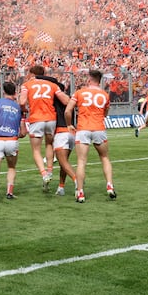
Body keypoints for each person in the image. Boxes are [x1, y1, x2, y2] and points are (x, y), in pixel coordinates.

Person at [64, 69, 116, 203]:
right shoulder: (105, 95)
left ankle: (80, 192)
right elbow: (105, 113)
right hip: (99, 127)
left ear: (89, 80)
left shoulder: (79, 93)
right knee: (104, 157)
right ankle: (110, 185)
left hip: (83, 128)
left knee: (81, 161)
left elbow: (68, 110)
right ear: (99, 81)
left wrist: (69, 124)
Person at [19, 65, 69, 192]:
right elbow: (65, 100)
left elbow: (21, 102)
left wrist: (25, 110)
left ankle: (44, 174)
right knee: (49, 144)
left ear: (32, 74)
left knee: (36, 150)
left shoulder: (26, 85)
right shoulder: (51, 85)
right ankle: (50, 170)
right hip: (51, 118)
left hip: (36, 118)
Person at [37, 74, 77, 196]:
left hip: (61, 132)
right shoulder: (69, 100)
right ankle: (61, 187)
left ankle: (77, 181)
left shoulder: (53, 101)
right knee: (63, 163)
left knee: (63, 162)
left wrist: (39, 79)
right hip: (72, 133)